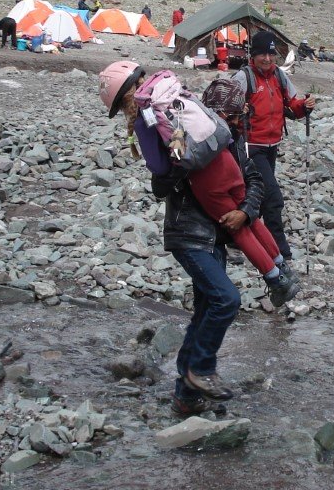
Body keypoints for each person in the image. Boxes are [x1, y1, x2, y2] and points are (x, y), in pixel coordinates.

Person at [100, 61, 260, 415]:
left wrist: (245, 211)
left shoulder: (220, 133)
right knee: (226, 300)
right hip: (187, 234)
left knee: (207, 307)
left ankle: (185, 397)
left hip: (213, 232)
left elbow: (255, 181)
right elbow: (160, 182)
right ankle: (201, 371)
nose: (231, 119)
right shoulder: (169, 125)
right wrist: (182, 162)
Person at [193, 79, 299, 307]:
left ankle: (275, 278)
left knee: (242, 228)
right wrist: (247, 210)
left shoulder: (206, 130)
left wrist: (245, 212)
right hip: (231, 183)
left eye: (235, 118)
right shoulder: (234, 136)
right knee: (252, 224)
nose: (234, 123)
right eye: (232, 118)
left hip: (214, 203)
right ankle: (281, 268)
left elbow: (253, 178)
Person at [232, 31, 315, 260]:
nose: (267, 59)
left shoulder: (279, 76)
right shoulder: (243, 77)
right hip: (250, 146)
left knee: (256, 195)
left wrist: (305, 105)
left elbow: (293, 105)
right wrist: (240, 111)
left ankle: (241, 238)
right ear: (253, 55)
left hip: (272, 146)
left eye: (271, 54)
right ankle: (279, 251)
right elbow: (226, 109)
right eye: (262, 54)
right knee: (273, 198)